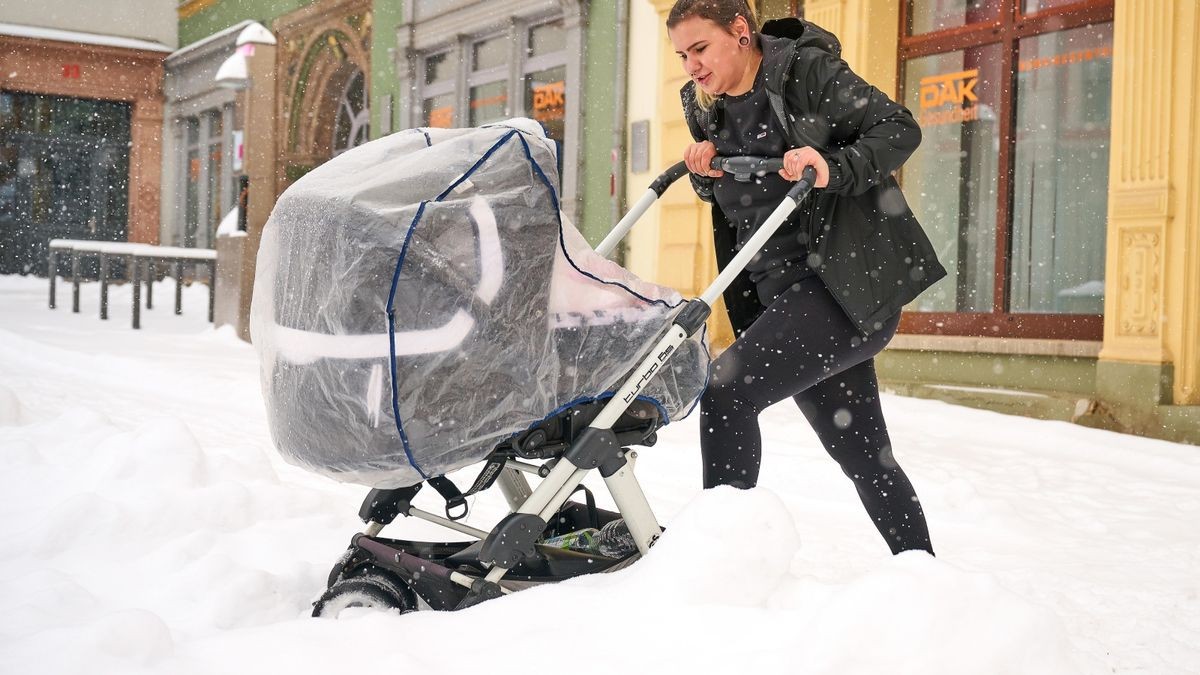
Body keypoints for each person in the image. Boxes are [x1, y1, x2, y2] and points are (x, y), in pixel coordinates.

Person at [667, 0, 947, 555]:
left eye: (700, 49)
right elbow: (739, 197)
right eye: (682, 55)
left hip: (841, 288)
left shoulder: (807, 74)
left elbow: (898, 128)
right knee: (864, 455)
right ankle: (924, 576)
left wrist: (831, 166)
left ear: (740, 32)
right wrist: (705, 172)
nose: (691, 66)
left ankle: (722, 562)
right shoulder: (706, 105)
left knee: (727, 392)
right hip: (782, 297)